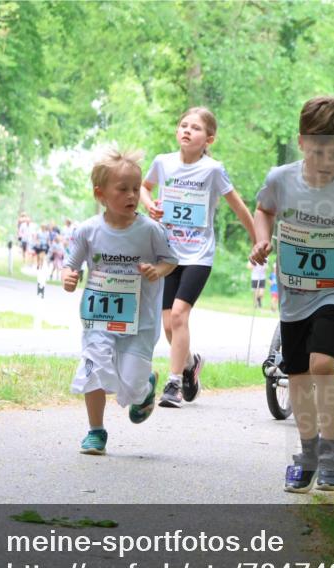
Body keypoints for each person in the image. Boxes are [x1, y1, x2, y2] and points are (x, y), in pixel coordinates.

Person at [250, 96, 334, 494]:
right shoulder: (281, 179)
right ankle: (307, 451)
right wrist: (262, 239)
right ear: (302, 141)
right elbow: (263, 209)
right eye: (320, 150)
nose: (328, 159)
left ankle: (330, 450)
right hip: (293, 293)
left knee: (322, 362)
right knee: (297, 375)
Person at [62, 148, 177, 455]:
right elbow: (70, 265)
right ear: (101, 194)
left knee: (131, 383)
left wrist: (158, 270)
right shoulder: (88, 231)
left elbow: (171, 260)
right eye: (123, 189)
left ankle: (144, 389)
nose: (132, 195)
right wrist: (69, 277)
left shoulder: (151, 230)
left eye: (136, 189)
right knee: (94, 367)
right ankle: (96, 431)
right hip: (98, 318)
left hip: (140, 322)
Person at [141, 107, 258, 408]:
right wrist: (149, 206)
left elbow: (238, 206)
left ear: (209, 138)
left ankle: (173, 384)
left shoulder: (213, 170)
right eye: (183, 125)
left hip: (198, 255)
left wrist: (258, 240)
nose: (187, 131)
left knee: (179, 315)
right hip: (167, 253)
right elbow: (144, 186)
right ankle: (191, 364)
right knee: (168, 324)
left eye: (195, 128)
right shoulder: (163, 162)